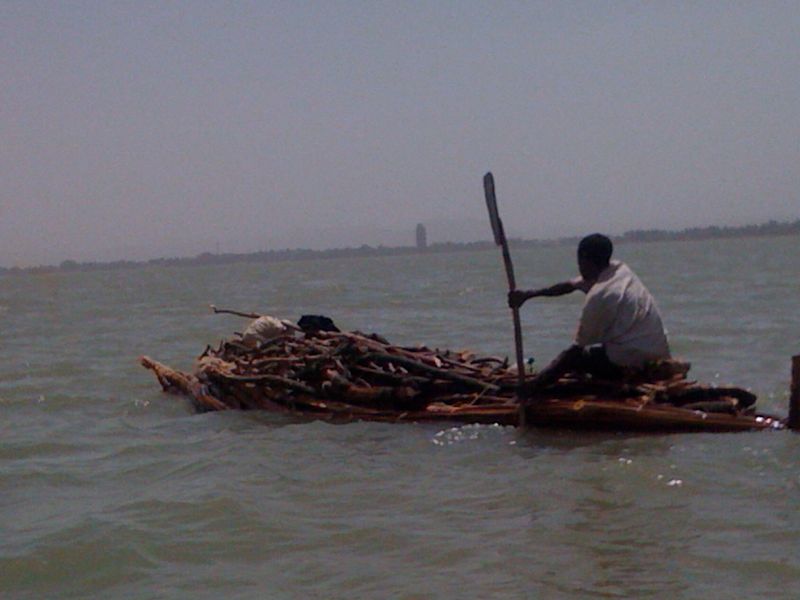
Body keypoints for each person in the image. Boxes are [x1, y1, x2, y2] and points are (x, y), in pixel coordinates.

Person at [508, 233, 670, 391]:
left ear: (584, 260)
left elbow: (576, 350)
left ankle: (531, 390)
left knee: (576, 359)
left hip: (634, 361)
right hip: (656, 351)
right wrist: (529, 295)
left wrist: (535, 384)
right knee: (591, 355)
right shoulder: (619, 270)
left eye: (579, 261)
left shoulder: (601, 295)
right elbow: (569, 286)